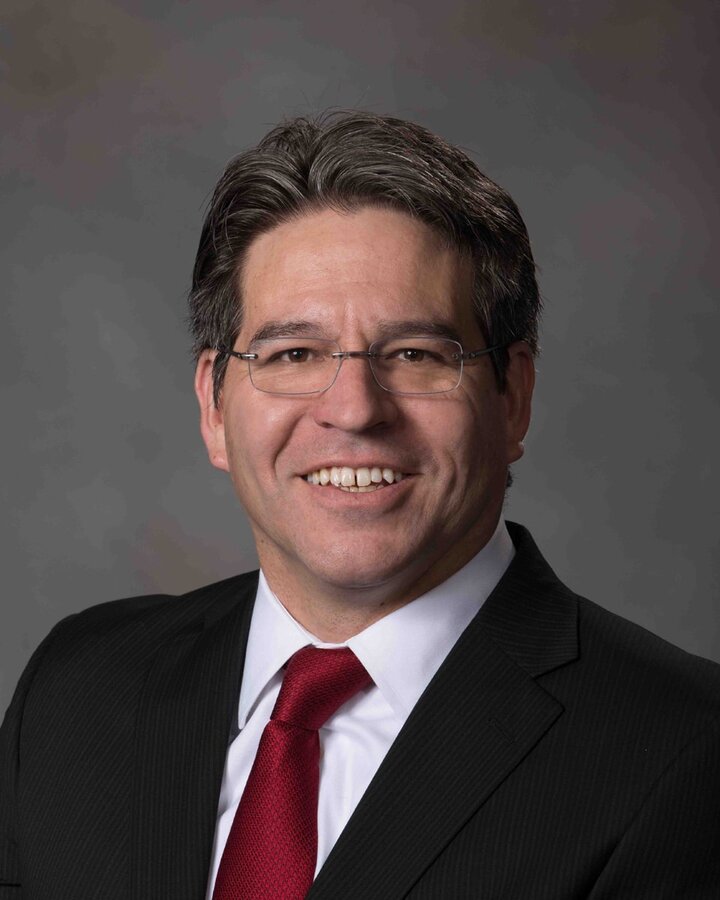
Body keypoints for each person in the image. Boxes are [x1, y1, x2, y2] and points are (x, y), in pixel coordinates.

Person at [1, 112, 719, 900]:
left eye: (414, 354)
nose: (353, 409)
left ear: (512, 396)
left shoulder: (683, 750)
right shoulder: (77, 691)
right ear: (213, 404)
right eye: (293, 354)